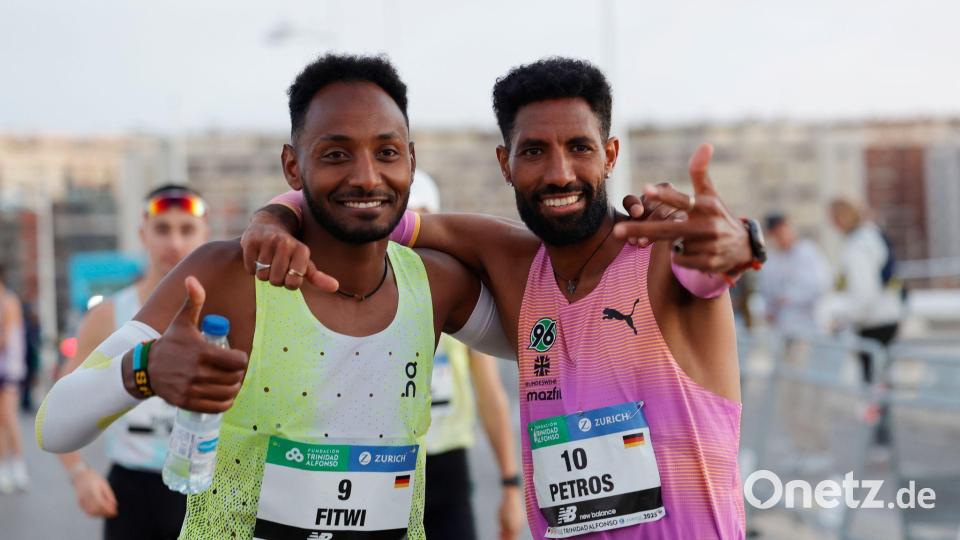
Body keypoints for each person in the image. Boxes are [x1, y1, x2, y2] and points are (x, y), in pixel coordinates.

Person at [246, 57, 762, 538]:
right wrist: (273, 219)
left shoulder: (661, 254)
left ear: (609, 155)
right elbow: (364, 203)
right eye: (534, 151)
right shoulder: (513, 262)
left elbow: (714, 260)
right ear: (505, 163)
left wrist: (743, 240)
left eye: (579, 148)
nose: (559, 172)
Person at [37, 53, 514, 540]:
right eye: (336, 154)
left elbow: (544, 341)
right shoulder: (229, 274)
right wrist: (144, 368)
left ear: (411, 160)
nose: (366, 176)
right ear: (293, 165)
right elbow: (55, 426)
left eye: (387, 153)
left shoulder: (437, 285)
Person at [56, 185, 210, 539]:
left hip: (205, 487)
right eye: (162, 229)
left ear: (205, 234)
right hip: (132, 489)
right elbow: (61, 402)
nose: (174, 242)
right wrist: (80, 474)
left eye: (186, 229)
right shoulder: (110, 315)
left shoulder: (228, 310)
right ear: (143, 234)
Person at [409, 171, 523, 540]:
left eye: (422, 221)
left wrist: (510, 483)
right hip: (383, 468)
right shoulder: (370, 298)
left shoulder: (456, 294)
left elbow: (490, 393)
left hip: (448, 464)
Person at [828, 198, 903, 384]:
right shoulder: (871, 236)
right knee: (883, 383)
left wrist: (843, 318)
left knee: (875, 388)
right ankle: (882, 413)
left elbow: (864, 294)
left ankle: (879, 413)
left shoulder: (858, 246)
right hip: (885, 315)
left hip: (873, 322)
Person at [758, 213, 830, 335]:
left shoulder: (808, 252)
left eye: (781, 231)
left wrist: (789, 298)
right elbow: (765, 293)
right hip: (781, 329)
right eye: (775, 234)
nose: (780, 237)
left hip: (808, 326)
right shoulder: (771, 261)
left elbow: (821, 285)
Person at [0, 265, 28, 494]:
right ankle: (3, 468)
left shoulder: (8, 301)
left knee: (8, 418)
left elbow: (6, 339)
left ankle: (17, 465)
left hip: (9, 369)